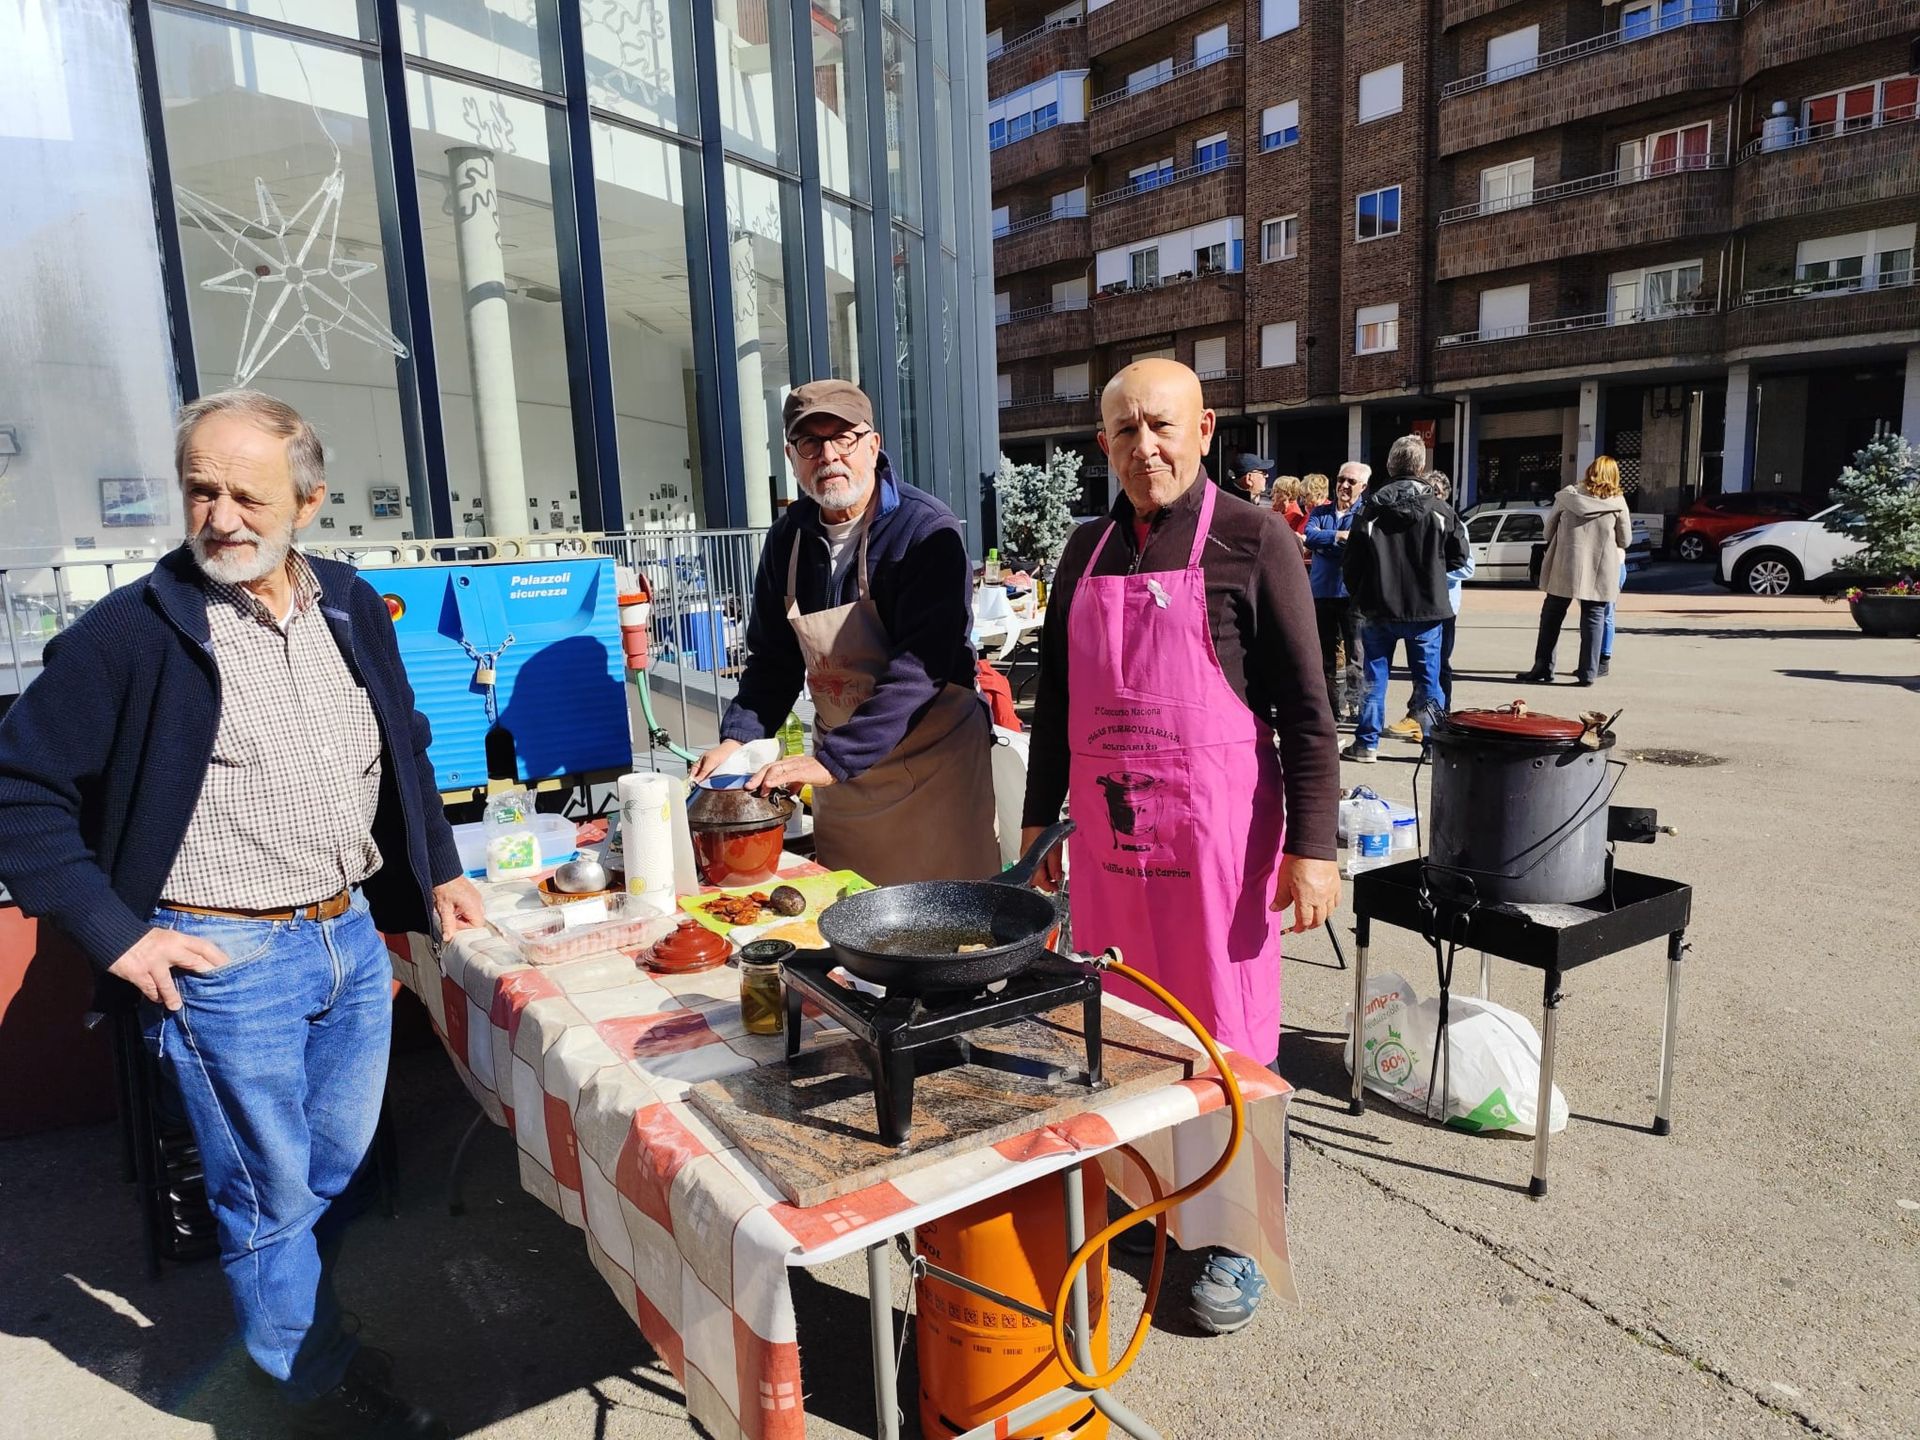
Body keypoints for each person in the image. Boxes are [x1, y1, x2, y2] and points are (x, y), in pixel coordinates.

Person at [0, 390, 482, 1440]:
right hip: (227, 958)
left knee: (333, 1170)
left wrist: (434, 870)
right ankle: (302, 1388)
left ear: (306, 502)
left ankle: (300, 1327)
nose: (221, 515)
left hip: (348, 937)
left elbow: (402, 743)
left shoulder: (352, 602)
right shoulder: (131, 635)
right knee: (268, 1190)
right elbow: (19, 788)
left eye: (247, 493)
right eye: (200, 489)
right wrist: (117, 934)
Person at [1019, 359, 1340, 1336]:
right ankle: (1143, 1208)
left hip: (1220, 855)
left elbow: (1308, 712)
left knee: (1223, 1041)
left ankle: (1227, 1236)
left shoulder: (1253, 539)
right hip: (1115, 861)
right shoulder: (1084, 551)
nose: (1143, 447)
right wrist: (1039, 825)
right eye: (1122, 432)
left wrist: (1314, 848)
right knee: (1119, 1034)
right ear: (1102, 446)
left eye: (1160, 425)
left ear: (1206, 427)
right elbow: (1058, 709)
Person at [693, 379, 997, 884]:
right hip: (844, 778)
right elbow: (773, 660)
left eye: (844, 438)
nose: (828, 455)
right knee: (852, 918)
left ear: (873, 445)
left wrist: (833, 760)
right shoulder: (788, 539)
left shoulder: (924, 531)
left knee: (949, 932)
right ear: (792, 457)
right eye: (810, 443)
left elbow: (920, 671)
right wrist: (737, 740)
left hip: (934, 765)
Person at [1340, 436, 1467, 763]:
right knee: (1429, 682)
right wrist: (1432, 577)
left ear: (1389, 466)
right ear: (1421, 467)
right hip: (1426, 609)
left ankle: (1367, 744)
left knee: (1374, 679)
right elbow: (1459, 557)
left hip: (1378, 607)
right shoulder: (1440, 509)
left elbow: (1352, 563)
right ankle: (1432, 744)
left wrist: (1361, 594)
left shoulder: (1370, 510)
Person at [1516, 456, 1632, 687]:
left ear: (1589, 471)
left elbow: (1547, 533)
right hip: (1600, 568)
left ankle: (1543, 667)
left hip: (1564, 565)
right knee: (1594, 618)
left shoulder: (1568, 496)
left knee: (1552, 615)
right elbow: (1625, 540)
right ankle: (1588, 673)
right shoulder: (1618, 503)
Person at [1383, 469, 1474, 740]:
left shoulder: (1450, 520)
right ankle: (1418, 716)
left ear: (1442, 495)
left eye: (1431, 492)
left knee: (1436, 673)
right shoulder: (1414, 519)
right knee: (1421, 673)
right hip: (1416, 607)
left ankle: (1439, 722)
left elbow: (1467, 567)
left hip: (1441, 608)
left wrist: (1430, 575)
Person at [1303, 462, 1370, 722]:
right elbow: (1309, 537)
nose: (1343, 485)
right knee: (1325, 654)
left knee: (1356, 654)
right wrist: (1340, 536)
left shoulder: (1366, 513)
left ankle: (1356, 707)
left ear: (1363, 487)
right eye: (1341, 479)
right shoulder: (1321, 511)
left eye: (1351, 482)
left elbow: (1361, 545)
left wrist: (1327, 540)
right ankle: (1332, 710)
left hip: (1352, 594)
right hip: (1322, 592)